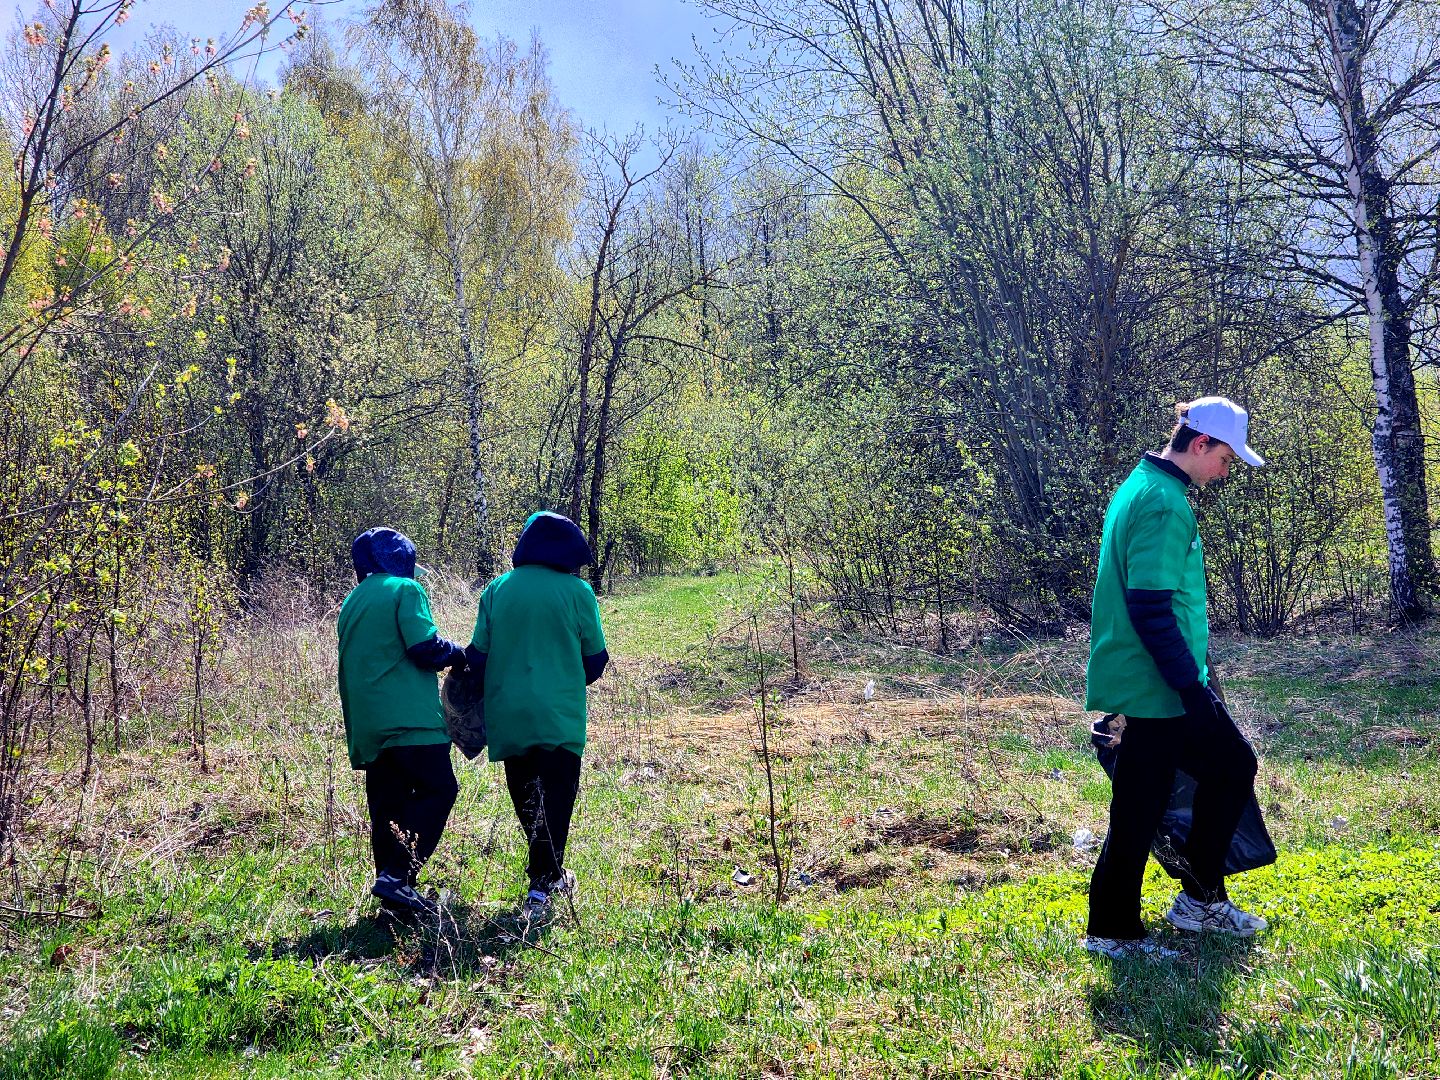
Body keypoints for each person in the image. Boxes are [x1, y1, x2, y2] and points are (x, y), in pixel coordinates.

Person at [1083, 397, 1269, 959]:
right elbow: (1149, 607)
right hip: (1157, 685)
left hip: (1153, 678)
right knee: (1167, 791)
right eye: (1226, 457)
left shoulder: (1144, 484)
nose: (1227, 470)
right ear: (1199, 444)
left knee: (1180, 784)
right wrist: (1193, 691)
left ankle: (1195, 900)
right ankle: (1121, 929)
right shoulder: (1165, 505)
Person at [465, 512, 608, 919]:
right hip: (558, 715)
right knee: (557, 799)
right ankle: (540, 888)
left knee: (527, 798)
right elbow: (596, 661)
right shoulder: (578, 592)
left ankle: (549, 875)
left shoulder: (496, 590)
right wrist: (564, 674)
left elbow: (477, 655)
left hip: (508, 716)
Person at [337, 527, 467, 917]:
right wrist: (461, 655)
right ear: (401, 562)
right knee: (439, 789)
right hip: (410, 720)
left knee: (387, 808)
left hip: (369, 724)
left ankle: (394, 902)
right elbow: (425, 648)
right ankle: (399, 874)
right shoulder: (405, 590)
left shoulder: (351, 602)